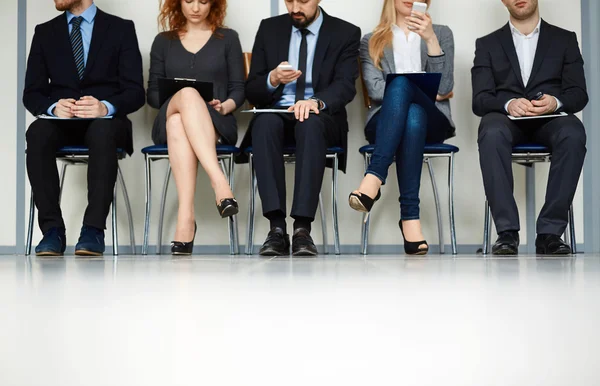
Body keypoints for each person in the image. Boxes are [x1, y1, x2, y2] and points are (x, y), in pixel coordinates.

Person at [23, 0, 144, 256]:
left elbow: (135, 93)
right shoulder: (44, 32)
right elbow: (32, 94)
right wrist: (53, 107)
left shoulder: (121, 29)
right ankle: (52, 231)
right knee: (36, 133)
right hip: (62, 123)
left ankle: (93, 229)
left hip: (107, 123)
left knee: (102, 131)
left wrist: (106, 107)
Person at [241, 0, 360, 257]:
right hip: (277, 111)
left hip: (320, 114)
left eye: (303, 1)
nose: (295, 7)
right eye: (289, 1)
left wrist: (315, 101)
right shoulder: (269, 28)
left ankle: (302, 230)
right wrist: (272, 79)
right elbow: (251, 89)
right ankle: (276, 229)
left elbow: (345, 85)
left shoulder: (346, 33)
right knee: (264, 123)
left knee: (310, 123)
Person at [472, 0, 588, 255]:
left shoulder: (565, 39)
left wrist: (555, 102)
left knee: (573, 132)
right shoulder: (487, 44)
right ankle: (506, 233)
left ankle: (549, 233)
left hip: (551, 118)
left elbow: (579, 94)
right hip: (505, 120)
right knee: (490, 132)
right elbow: (479, 101)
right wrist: (508, 103)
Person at [349, 0, 455, 255]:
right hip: (384, 121)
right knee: (413, 112)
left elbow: (444, 88)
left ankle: (374, 177)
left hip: (435, 122)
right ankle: (410, 219)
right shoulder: (371, 39)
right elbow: (374, 90)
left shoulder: (441, 33)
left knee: (401, 89)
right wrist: (417, 90)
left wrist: (430, 41)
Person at [147, 0, 244, 255]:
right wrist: (183, 96)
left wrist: (224, 106)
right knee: (187, 97)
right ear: (177, 3)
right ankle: (220, 184)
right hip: (167, 117)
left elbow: (238, 90)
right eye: (189, 0)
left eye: (203, 1)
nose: (196, 7)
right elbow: (153, 96)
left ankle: (185, 219)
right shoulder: (163, 41)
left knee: (179, 123)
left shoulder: (228, 38)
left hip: (215, 122)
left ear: (214, 3)